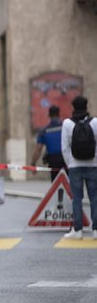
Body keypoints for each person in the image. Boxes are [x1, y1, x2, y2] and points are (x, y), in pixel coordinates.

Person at [61, 96, 97, 240]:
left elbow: (64, 147)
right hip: (93, 165)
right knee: (95, 198)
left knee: (77, 198)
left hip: (75, 166)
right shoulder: (95, 122)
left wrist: (70, 163)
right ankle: (96, 230)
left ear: (73, 107)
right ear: (87, 106)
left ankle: (78, 230)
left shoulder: (67, 124)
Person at [30, 105, 66, 181]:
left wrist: (33, 163)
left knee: (56, 184)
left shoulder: (44, 131)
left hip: (53, 161)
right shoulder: (66, 126)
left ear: (49, 115)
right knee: (69, 184)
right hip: (66, 159)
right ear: (59, 114)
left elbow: (38, 150)